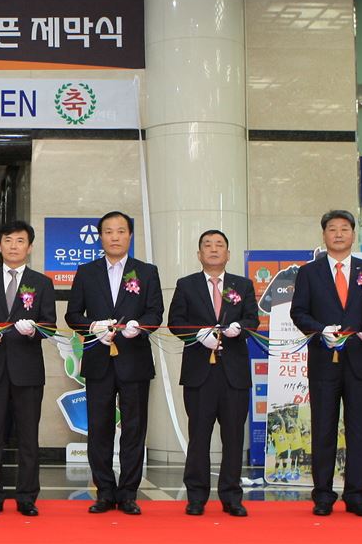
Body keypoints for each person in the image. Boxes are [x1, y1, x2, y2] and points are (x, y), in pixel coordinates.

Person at [290, 210, 362, 517]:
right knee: (323, 429)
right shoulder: (309, 273)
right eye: (332, 229)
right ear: (324, 235)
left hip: (361, 361)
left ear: (353, 235)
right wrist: (321, 330)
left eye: (344, 229)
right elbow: (298, 312)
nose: (338, 234)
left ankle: (357, 495)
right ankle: (323, 495)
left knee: (359, 430)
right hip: (324, 361)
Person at [64, 211, 163, 515]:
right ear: (101, 237)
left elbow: (155, 313)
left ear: (130, 235)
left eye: (121, 231)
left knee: (134, 428)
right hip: (98, 361)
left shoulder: (146, 272)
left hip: (134, 361)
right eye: (108, 231)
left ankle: (129, 493)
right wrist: (91, 326)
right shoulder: (86, 272)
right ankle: (105, 492)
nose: (115, 237)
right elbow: (72, 315)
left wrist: (139, 327)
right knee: (99, 428)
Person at [0, 220, 55, 517]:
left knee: (28, 437)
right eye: (8, 240)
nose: (14, 246)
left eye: (20, 241)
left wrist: (34, 330)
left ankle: (27, 497)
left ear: (30, 247)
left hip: (27, 371)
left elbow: (50, 325)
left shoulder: (41, 283)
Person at [167, 229, 258, 517]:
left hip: (234, 374)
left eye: (219, 245)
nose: (214, 249)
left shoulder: (243, 285)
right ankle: (196, 496)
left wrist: (240, 329)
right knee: (199, 436)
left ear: (228, 254)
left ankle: (231, 497)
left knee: (233, 437)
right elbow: (175, 322)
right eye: (208, 245)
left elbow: (253, 319)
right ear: (199, 254)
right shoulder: (186, 285)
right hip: (199, 373)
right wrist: (198, 335)